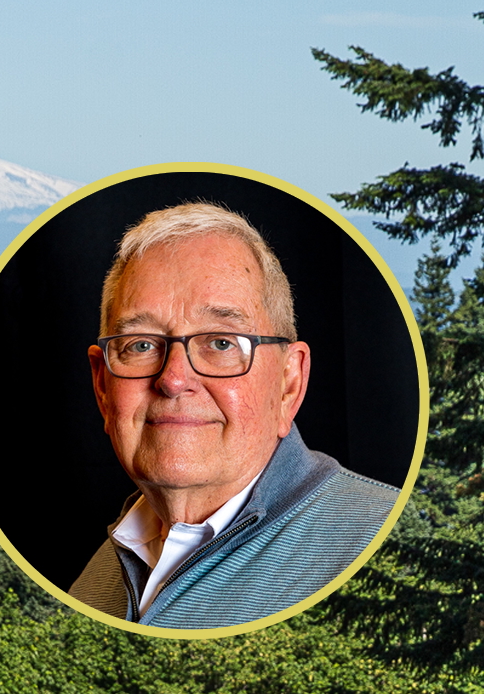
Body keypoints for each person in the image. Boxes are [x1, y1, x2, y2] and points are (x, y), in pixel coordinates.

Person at [68, 202, 400, 629]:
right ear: (102, 386)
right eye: (141, 345)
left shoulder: (384, 547)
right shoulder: (98, 577)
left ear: (288, 383)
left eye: (222, 343)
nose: (173, 380)